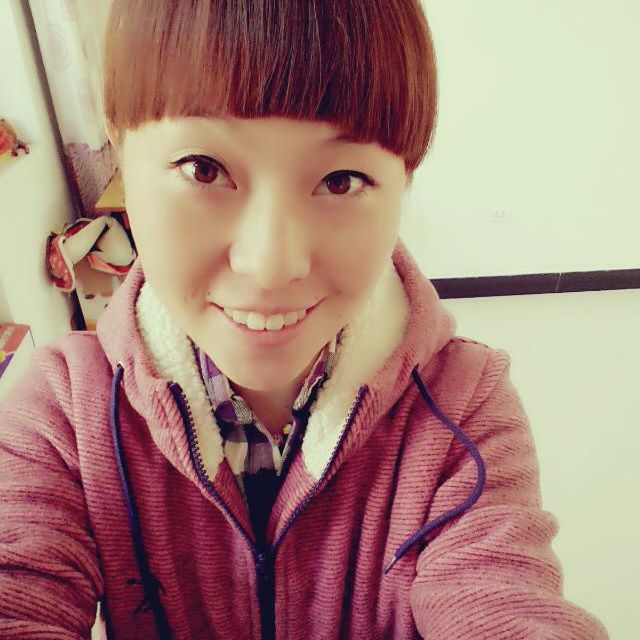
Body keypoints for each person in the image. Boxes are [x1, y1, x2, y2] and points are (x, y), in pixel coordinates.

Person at [0, 1, 609, 639]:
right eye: (203, 169)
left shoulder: (464, 408)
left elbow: (505, 600)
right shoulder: (67, 410)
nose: (271, 266)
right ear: (120, 153)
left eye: (341, 180)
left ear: (405, 181)